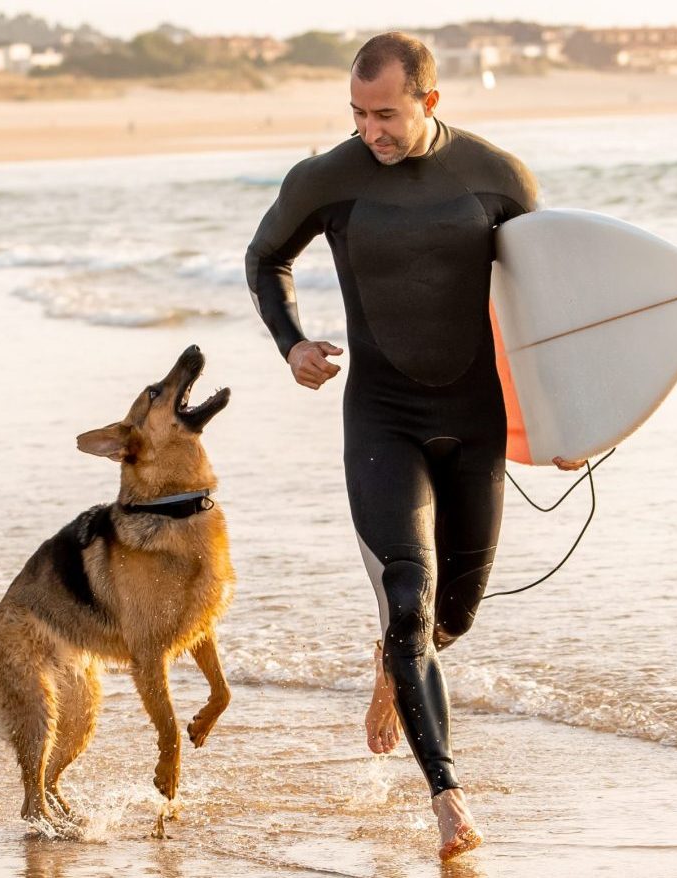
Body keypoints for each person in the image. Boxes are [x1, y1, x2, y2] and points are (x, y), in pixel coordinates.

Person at [244, 31, 581, 862]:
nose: (370, 131)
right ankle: (448, 797)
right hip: (381, 419)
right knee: (408, 596)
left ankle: (395, 661)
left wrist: (567, 418)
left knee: (450, 619)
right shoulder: (327, 179)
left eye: (386, 114)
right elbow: (264, 259)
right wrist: (291, 343)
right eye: (357, 114)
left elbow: (541, 306)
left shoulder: (498, 178)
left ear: (431, 101)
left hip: (477, 425)